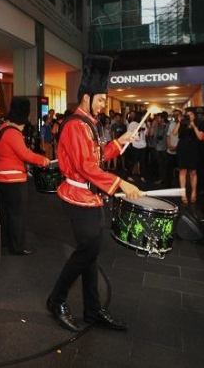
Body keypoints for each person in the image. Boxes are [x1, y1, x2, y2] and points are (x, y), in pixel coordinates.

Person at [47, 54, 142, 333]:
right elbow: (87, 167)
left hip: (90, 197)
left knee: (91, 253)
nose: (104, 105)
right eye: (101, 99)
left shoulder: (88, 122)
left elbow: (96, 155)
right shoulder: (77, 124)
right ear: (87, 97)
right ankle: (57, 299)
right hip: (78, 198)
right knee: (88, 250)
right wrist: (121, 184)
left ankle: (93, 309)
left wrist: (119, 142)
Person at [0, 97, 50, 255]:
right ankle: (17, 247)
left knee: (4, 213)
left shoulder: (0, 128)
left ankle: (4, 241)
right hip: (14, 180)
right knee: (18, 214)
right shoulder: (13, 133)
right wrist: (42, 160)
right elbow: (25, 154)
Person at [176, 109, 202, 204]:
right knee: (182, 171)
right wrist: (179, 122)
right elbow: (174, 133)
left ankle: (193, 192)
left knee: (193, 172)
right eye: (187, 114)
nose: (189, 116)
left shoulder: (199, 124)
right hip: (182, 148)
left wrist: (193, 125)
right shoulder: (182, 124)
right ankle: (183, 193)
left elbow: (200, 137)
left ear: (194, 115)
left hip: (193, 149)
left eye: (191, 114)